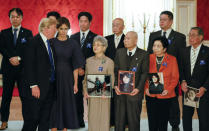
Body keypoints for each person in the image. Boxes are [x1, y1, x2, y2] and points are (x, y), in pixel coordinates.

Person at [147, 10, 186, 131]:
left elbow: (181, 58)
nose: (161, 22)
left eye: (164, 19)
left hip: (171, 75)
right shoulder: (153, 35)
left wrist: (179, 77)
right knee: (155, 107)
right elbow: (150, 53)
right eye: (160, 19)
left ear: (171, 21)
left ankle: (175, 124)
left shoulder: (180, 37)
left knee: (173, 102)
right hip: (155, 76)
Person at [49, 17, 85, 131]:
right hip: (53, 76)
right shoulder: (51, 42)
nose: (63, 31)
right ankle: (54, 126)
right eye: (61, 28)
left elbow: (75, 66)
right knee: (54, 101)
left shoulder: (73, 44)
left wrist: (75, 84)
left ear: (69, 29)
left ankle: (64, 126)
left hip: (67, 77)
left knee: (66, 102)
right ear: (57, 29)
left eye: (66, 29)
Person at [0, 8, 33, 130]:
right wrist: (10, 58)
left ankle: (27, 122)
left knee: (24, 97)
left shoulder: (28, 33)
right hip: (8, 69)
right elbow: (2, 48)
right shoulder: (3, 32)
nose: (15, 19)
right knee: (6, 96)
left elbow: (29, 50)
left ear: (21, 18)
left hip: (22, 70)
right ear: (9, 18)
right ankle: (4, 121)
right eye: (12, 17)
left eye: (17, 17)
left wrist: (18, 58)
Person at [22, 18, 57, 131]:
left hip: (49, 87)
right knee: (33, 119)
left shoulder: (50, 43)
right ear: (46, 29)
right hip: (37, 88)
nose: (55, 30)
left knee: (45, 119)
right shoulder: (33, 42)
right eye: (54, 28)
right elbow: (28, 66)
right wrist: (33, 85)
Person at [114, 31, 149, 131]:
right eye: (125, 39)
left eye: (128, 38)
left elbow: (144, 73)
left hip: (135, 93)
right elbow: (116, 70)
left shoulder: (144, 54)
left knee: (133, 120)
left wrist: (138, 88)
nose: (125, 40)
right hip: (120, 92)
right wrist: (116, 85)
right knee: (119, 120)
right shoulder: (119, 52)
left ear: (136, 40)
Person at [145, 37, 179, 131]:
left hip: (165, 95)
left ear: (164, 49)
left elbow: (175, 77)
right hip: (150, 94)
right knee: (152, 121)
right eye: (154, 46)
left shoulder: (172, 59)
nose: (155, 48)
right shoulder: (148, 58)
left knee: (163, 122)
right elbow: (143, 75)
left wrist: (168, 89)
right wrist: (146, 88)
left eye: (158, 46)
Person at [70, 11, 97, 127]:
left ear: (90, 22)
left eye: (85, 21)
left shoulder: (96, 37)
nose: (83, 23)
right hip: (76, 72)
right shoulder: (73, 37)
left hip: (90, 73)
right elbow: (70, 55)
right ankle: (78, 121)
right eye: (81, 21)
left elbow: (96, 56)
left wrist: (85, 69)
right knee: (76, 98)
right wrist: (78, 68)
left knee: (90, 98)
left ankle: (93, 122)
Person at [83, 35, 114, 131]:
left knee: (104, 118)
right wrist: (85, 91)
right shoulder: (88, 61)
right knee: (92, 118)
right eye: (94, 45)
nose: (95, 47)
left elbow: (112, 79)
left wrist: (107, 91)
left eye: (98, 45)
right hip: (92, 95)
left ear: (104, 47)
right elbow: (85, 79)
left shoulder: (109, 62)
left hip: (104, 95)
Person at [180, 27, 209, 131]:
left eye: (193, 35)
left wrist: (204, 88)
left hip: (203, 92)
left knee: (204, 120)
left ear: (200, 37)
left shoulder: (207, 51)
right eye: (189, 35)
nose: (190, 37)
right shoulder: (184, 51)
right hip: (187, 91)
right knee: (186, 118)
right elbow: (181, 69)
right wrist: (182, 81)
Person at [105, 17, 125, 127]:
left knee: (121, 100)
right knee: (110, 99)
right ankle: (110, 122)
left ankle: (122, 123)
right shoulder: (106, 39)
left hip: (123, 74)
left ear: (123, 27)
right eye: (113, 25)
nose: (115, 27)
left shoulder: (128, 39)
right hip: (108, 73)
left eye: (117, 25)